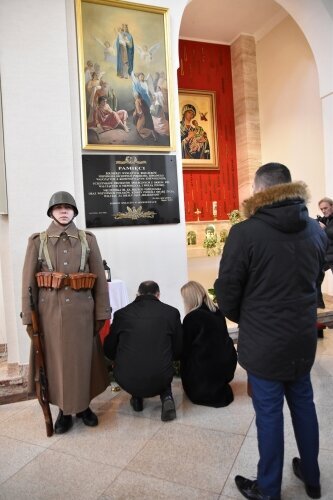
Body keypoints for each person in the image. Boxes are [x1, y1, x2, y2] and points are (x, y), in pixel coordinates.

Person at [214, 163, 327, 500]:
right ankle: (312, 477)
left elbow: (227, 293)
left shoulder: (245, 233)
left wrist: (246, 319)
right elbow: (315, 280)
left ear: (260, 190)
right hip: (303, 337)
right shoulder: (315, 230)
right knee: (304, 405)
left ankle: (268, 488)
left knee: (269, 413)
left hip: (264, 342)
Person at [21, 191, 111, 434]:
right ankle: (63, 410)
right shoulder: (38, 242)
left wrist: (102, 311)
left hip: (82, 313)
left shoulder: (88, 240)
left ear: (74, 212)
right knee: (56, 364)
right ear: (51, 212)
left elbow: (100, 280)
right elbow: (28, 283)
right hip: (49, 314)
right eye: (58, 207)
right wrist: (28, 315)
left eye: (68, 208)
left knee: (83, 362)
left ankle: (83, 408)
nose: (63, 211)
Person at [103, 280, 182, 421]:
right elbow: (179, 349)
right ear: (158, 295)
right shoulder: (171, 313)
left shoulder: (121, 314)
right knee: (159, 363)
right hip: (161, 376)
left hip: (127, 378)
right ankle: (167, 396)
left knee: (137, 360)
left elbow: (109, 349)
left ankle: (136, 397)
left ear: (137, 294)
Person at [180, 281, 237, 408]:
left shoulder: (191, 318)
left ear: (189, 299)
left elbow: (185, 349)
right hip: (224, 367)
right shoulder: (217, 312)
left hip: (203, 376)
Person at [315, 197, 333, 308]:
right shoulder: (325, 219)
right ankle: (319, 305)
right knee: (315, 274)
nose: (323, 210)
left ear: (332, 206)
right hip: (327, 256)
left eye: (326, 208)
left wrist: (324, 229)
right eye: (321, 209)